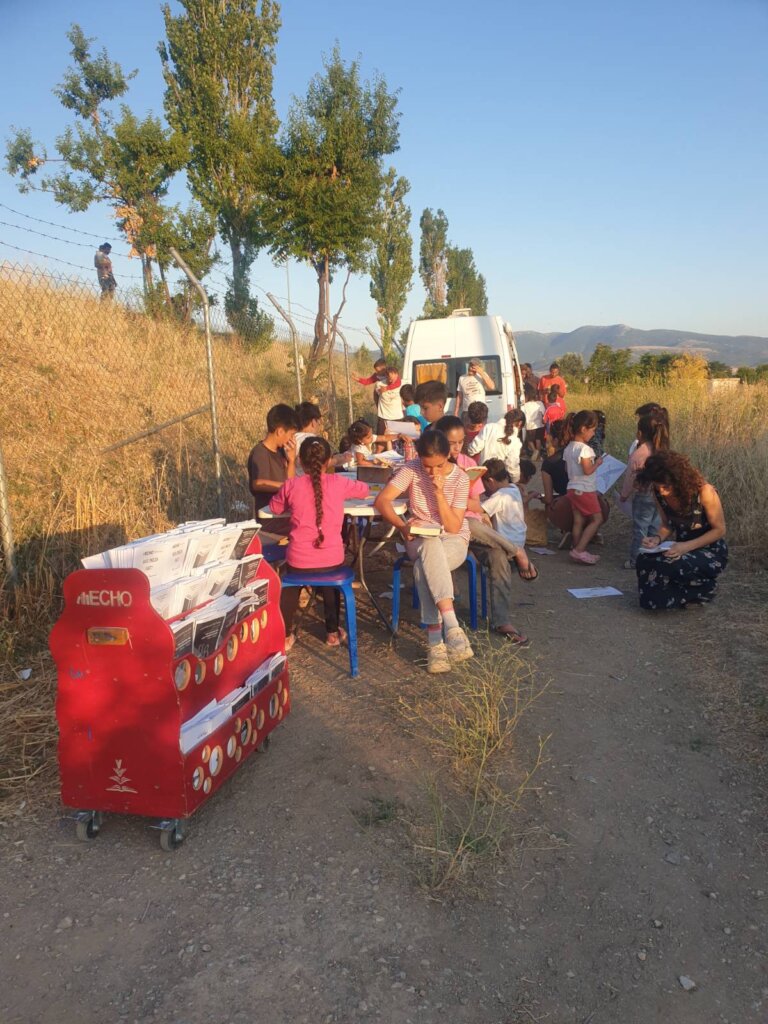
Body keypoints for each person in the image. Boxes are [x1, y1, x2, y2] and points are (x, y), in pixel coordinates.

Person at [374, 430, 474, 674]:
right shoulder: (412, 468)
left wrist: (439, 493)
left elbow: (453, 526)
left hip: (453, 539)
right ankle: (452, 626)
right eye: (427, 466)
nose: (432, 472)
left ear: (447, 455)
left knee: (422, 566)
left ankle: (435, 642)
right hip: (419, 536)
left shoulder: (461, 479)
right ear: (419, 459)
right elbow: (382, 501)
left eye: (438, 466)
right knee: (429, 545)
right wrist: (401, 526)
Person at [435, 416, 536, 646]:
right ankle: (517, 552)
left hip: (472, 528)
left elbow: (477, 502)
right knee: (469, 525)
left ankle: (501, 620)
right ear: (438, 440)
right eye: (451, 443)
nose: (456, 448)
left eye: (460, 442)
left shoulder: (468, 463)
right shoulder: (431, 464)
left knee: (496, 555)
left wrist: (477, 508)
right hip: (447, 528)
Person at [270, 437, 369, 650]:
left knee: (289, 582)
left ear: (300, 461)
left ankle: (284, 636)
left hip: (298, 559)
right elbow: (364, 490)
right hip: (332, 558)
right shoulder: (338, 482)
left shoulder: (291, 485)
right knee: (330, 583)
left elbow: (275, 508)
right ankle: (332, 632)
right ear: (328, 460)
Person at [635, 452, 727, 610]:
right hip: (680, 547)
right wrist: (656, 539)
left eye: (666, 487)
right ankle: (661, 598)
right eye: (657, 486)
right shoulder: (659, 494)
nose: (661, 491)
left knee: (670, 564)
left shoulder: (705, 492)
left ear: (679, 480)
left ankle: (705, 588)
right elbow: (667, 525)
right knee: (644, 559)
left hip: (709, 549)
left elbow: (720, 530)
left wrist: (686, 547)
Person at [542, 419, 609, 547]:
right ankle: (588, 535)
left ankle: (569, 533)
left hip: (566, 504)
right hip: (590, 496)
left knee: (554, 505)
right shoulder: (583, 451)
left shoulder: (549, 462)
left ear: (554, 440)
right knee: (595, 514)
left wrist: (541, 499)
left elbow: (549, 498)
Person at [618, 412, 670, 568]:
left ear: (640, 433)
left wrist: (624, 495)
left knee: (640, 529)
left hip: (644, 495)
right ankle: (653, 557)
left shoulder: (639, 453)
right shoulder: (663, 451)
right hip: (660, 495)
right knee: (656, 527)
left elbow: (630, 478)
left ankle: (636, 560)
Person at [563, 410, 605, 565]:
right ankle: (579, 550)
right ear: (583, 429)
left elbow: (567, 469)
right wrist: (597, 463)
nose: (593, 434)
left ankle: (576, 547)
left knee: (578, 520)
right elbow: (587, 470)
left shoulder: (569, 448)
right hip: (585, 489)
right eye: (592, 430)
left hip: (572, 488)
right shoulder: (585, 449)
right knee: (597, 519)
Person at [247, 403, 299, 517]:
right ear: (280, 431)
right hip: (269, 517)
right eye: (292, 434)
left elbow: (290, 481)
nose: (293, 439)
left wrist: (291, 460)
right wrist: (285, 487)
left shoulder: (282, 451)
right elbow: (258, 483)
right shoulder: (260, 452)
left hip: (285, 514)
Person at [466, 409, 524, 481]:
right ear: (520, 423)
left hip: (482, 474)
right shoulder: (515, 441)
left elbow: (473, 449)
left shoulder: (489, 427)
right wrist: (515, 481)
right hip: (499, 478)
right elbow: (512, 465)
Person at [373, 366, 403, 437]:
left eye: (393, 378)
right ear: (386, 376)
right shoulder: (379, 384)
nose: (391, 380)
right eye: (389, 378)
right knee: (381, 441)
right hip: (383, 417)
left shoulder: (401, 384)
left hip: (397, 417)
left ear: (397, 375)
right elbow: (376, 395)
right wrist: (378, 407)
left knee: (397, 440)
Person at [521, 384, 546, 459]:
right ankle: (538, 454)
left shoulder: (525, 405)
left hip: (530, 426)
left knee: (529, 440)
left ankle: (535, 451)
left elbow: (523, 415)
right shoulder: (540, 403)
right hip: (539, 425)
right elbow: (543, 413)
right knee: (538, 439)